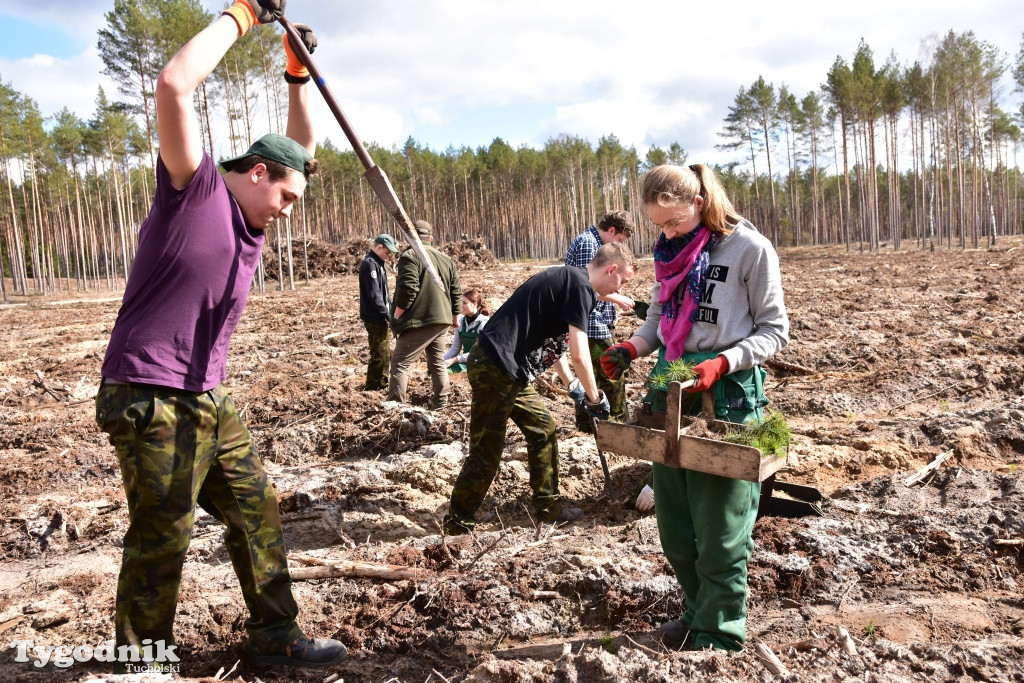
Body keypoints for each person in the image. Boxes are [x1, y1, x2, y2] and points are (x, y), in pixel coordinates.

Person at [94, 1, 346, 672]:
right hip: (148, 393)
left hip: (207, 396)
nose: (287, 213)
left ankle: (275, 637)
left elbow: (300, 152)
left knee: (257, 511)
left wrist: (296, 73)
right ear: (257, 172)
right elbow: (174, 84)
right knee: (164, 534)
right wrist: (243, 15)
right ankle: (141, 661)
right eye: (286, 197)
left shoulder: (255, 219)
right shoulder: (193, 187)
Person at [600, 164, 789, 652]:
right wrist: (632, 348)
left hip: (725, 397)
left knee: (721, 528)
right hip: (670, 389)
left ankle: (719, 633)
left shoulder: (750, 249)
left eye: (673, 222)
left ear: (699, 204)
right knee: (676, 528)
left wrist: (724, 362)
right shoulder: (671, 253)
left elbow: (774, 330)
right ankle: (696, 611)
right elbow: (660, 318)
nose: (666, 233)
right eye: (658, 225)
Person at [443, 242, 637, 535]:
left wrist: (573, 385)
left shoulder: (572, 281)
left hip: (509, 371)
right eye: (622, 281)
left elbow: (553, 345)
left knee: (543, 429)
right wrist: (595, 397)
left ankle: (549, 511)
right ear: (611, 269)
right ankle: (458, 522)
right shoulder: (579, 286)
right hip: (496, 366)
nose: (619, 288)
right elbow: (580, 354)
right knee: (487, 448)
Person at [565, 210, 636, 432]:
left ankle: (588, 425)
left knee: (593, 375)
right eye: (620, 240)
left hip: (593, 320)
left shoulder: (593, 241)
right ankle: (616, 424)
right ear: (611, 230)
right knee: (612, 369)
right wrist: (618, 298)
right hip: (591, 321)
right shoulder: (589, 244)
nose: (619, 245)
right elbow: (587, 286)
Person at [387, 220, 462, 409]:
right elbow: (456, 290)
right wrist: (454, 318)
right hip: (442, 320)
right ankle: (441, 402)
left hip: (420, 320)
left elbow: (408, 289)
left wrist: (397, 314)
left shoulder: (410, 256)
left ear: (409, 237)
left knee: (400, 362)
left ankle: (395, 406)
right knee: (437, 362)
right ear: (431, 238)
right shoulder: (446, 259)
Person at [360, 234, 399, 389]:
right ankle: (373, 386)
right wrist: (387, 314)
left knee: (383, 351)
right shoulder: (370, 264)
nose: (388, 256)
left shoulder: (378, 264)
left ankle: (381, 382)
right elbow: (374, 294)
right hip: (374, 316)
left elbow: (384, 293)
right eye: (387, 252)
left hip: (380, 315)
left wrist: (392, 308)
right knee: (379, 353)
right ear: (379, 247)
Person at [443, 288, 491, 374]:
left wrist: (455, 359)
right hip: (465, 361)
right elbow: (455, 347)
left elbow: (479, 352)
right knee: (438, 369)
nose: (461, 306)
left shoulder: (483, 323)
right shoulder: (460, 320)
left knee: (445, 373)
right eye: (460, 303)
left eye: (464, 303)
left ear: (474, 304)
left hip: (480, 363)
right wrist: (441, 361)